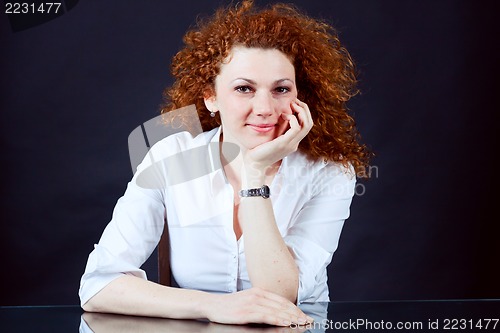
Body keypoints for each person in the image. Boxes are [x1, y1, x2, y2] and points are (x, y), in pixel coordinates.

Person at [79, 0, 371, 327]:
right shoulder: (170, 158)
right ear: (211, 97)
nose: (265, 107)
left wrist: (254, 174)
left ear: (299, 96)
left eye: (281, 89)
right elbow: (97, 287)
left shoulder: (329, 172)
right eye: (244, 88)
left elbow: (278, 295)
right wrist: (212, 306)